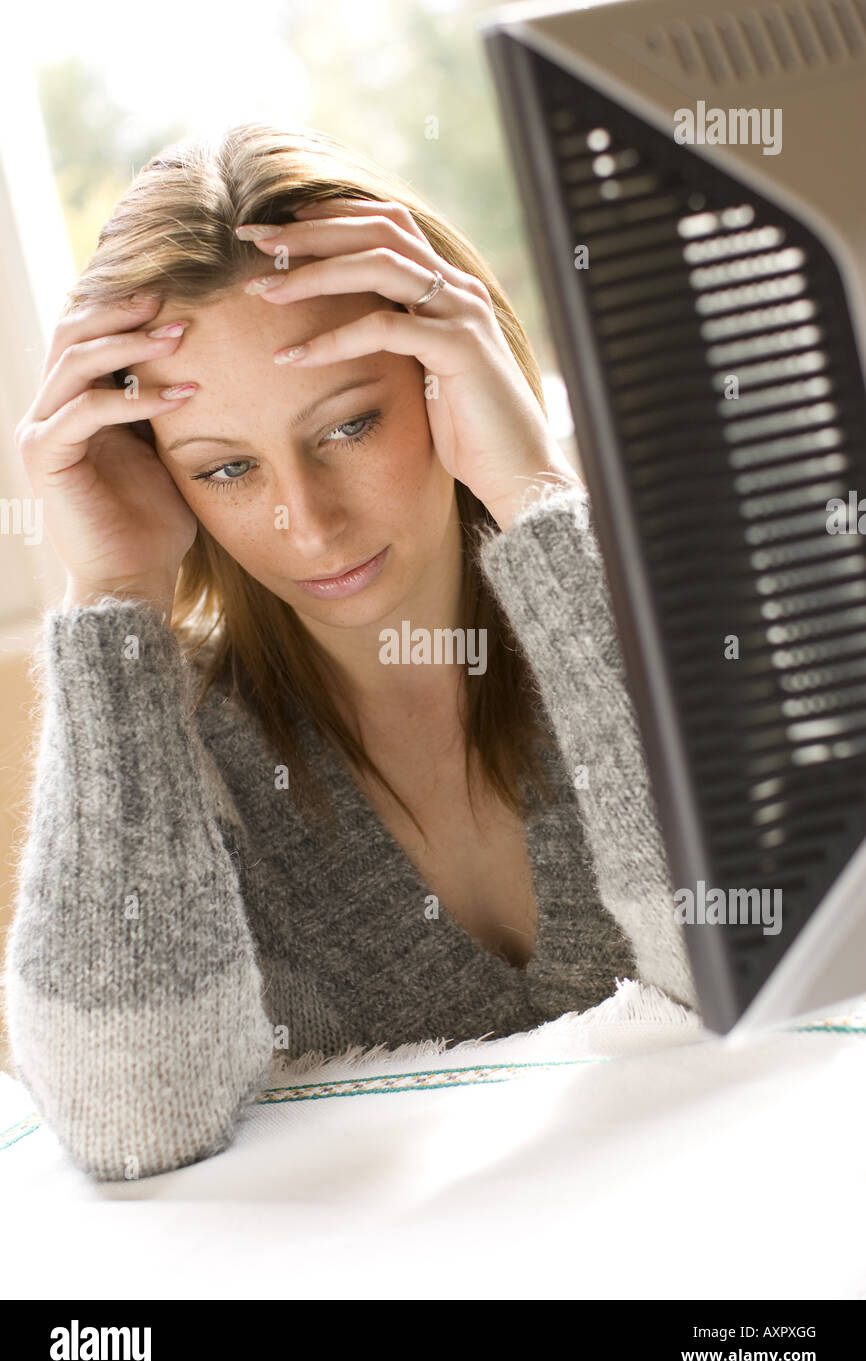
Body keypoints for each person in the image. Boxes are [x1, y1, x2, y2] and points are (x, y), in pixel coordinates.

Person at [2, 122, 697, 1182]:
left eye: (347, 426)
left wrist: (537, 502)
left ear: (449, 372)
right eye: (226, 470)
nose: (309, 525)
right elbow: (131, 1124)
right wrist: (112, 599)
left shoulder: (661, 597)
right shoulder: (170, 737)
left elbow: (765, 965)